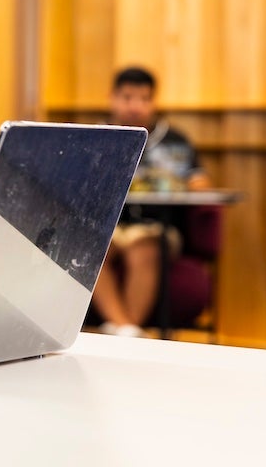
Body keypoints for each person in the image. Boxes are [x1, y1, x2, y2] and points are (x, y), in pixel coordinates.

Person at [90, 66, 210, 336]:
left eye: (145, 99)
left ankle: (123, 330)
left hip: (157, 228)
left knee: (143, 248)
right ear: (113, 97)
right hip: (107, 227)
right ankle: (128, 330)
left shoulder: (175, 141)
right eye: (128, 98)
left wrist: (191, 184)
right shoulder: (96, 138)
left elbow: (200, 182)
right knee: (92, 247)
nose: (136, 107)